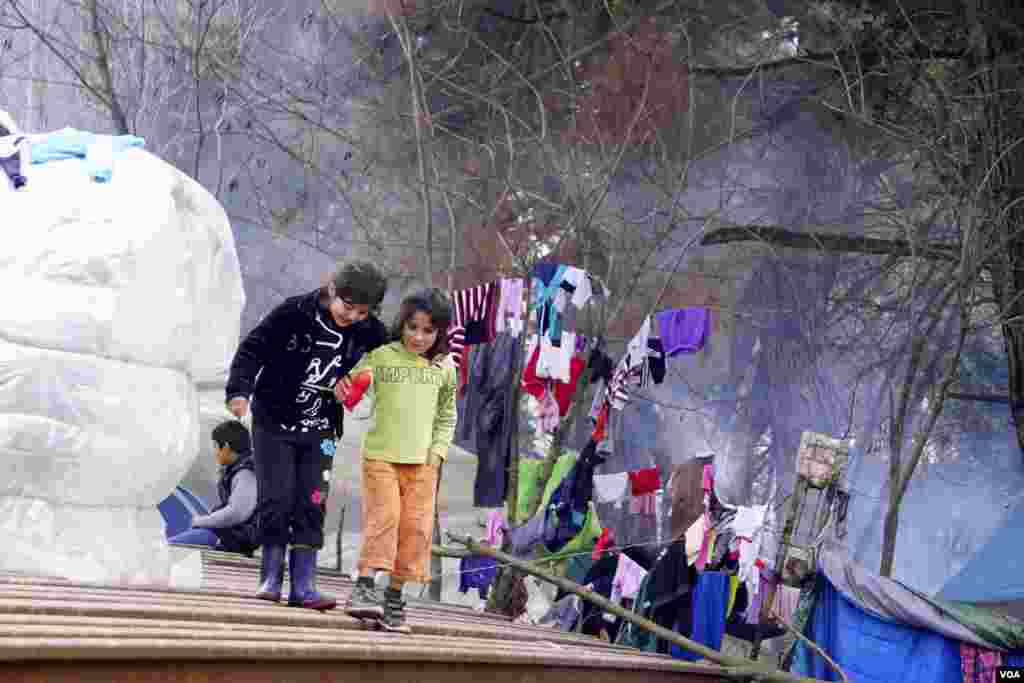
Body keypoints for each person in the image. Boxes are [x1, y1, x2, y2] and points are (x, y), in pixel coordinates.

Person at [225, 261, 389, 610]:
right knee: (277, 498)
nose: (353, 317)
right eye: (348, 307)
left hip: (323, 429)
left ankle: (304, 584)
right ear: (331, 289)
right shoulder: (293, 312)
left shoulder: (371, 330)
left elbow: (393, 357)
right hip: (274, 424)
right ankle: (270, 577)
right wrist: (239, 390)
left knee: (313, 500)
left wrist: (364, 379)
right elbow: (253, 348)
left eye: (362, 312)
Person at [339, 288, 458, 633]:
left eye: (428, 330)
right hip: (381, 456)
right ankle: (363, 587)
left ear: (439, 332)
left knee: (416, 530)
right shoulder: (381, 355)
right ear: (401, 324)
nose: (419, 337)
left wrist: (437, 455)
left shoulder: (444, 366)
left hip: (423, 464)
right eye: (413, 327)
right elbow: (348, 384)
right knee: (385, 518)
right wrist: (349, 387)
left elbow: (447, 415)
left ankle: (393, 596)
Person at [169, 421, 259, 555]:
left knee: (171, 547)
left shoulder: (245, 473)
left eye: (216, 446)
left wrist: (202, 521)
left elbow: (237, 512)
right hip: (232, 535)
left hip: (235, 538)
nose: (215, 452)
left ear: (226, 447)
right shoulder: (237, 469)